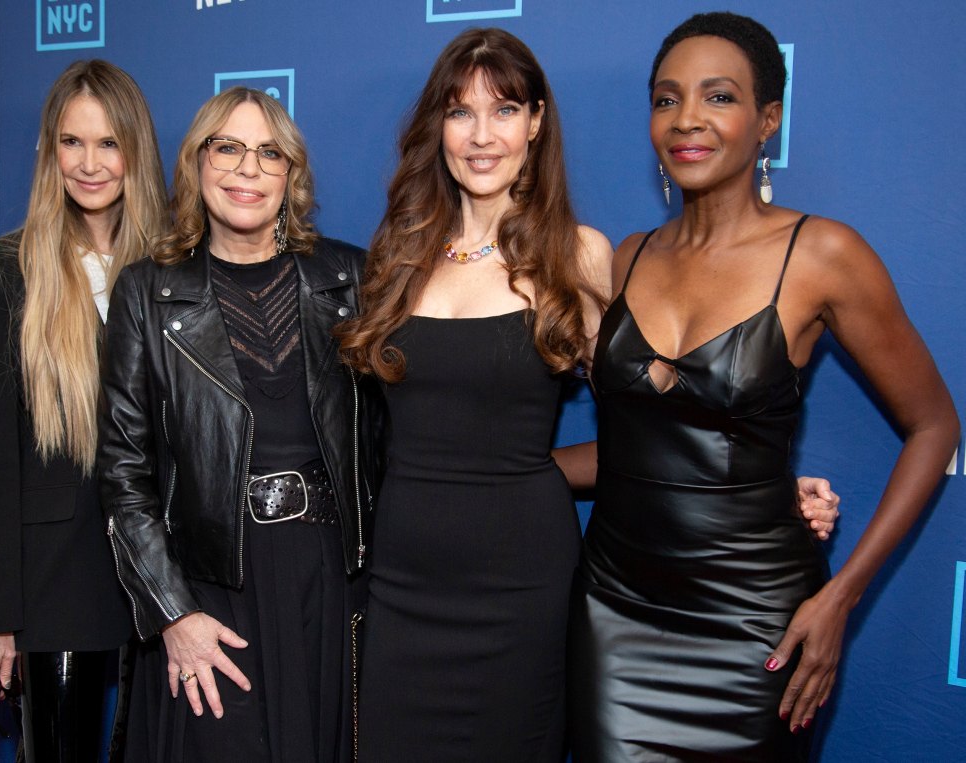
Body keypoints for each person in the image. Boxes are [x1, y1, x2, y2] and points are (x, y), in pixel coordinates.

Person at [337, 27, 839, 761]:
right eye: (459, 112)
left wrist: (753, 482)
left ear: (536, 122)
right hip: (400, 582)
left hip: (520, 587)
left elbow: (661, 416)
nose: (482, 135)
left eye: (504, 111)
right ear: (436, 128)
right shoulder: (396, 253)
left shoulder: (578, 255)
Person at [567, 12, 960, 762]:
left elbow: (935, 425)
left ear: (767, 119)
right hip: (614, 614)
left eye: (719, 97)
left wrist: (839, 597)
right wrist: (500, 476)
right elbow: (633, 451)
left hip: (757, 626)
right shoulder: (625, 257)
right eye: (666, 98)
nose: (687, 119)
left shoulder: (823, 254)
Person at [97, 86, 380, 763]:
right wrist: (174, 614)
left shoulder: (348, 277)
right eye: (227, 148)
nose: (247, 170)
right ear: (197, 164)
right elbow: (122, 473)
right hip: (211, 590)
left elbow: (389, 446)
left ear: (292, 176)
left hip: (329, 582)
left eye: (269, 152)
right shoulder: (146, 290)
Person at [0, 60, 168, 761]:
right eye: (71, 142)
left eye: (108, 143)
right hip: (55, 581)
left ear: (134, 151)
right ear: (49, 151)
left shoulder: (174, 273)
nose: (89, 163)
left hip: (168, 571)